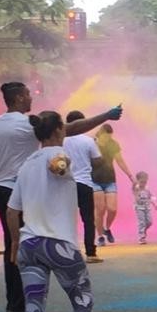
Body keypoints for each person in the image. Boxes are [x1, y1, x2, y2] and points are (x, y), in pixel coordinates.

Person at [0, 82, 121, 312]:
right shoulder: (30, 124)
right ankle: (39, 296)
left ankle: (16, 306)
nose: (31, 98)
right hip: (27, 188)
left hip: (2, 189)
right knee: (38, 238)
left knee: (13, 245)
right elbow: (69, 128)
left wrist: (1, 180)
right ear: (17, 98)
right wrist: (105, 116)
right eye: (27, 94)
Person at [7, 111, 96, 312]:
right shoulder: (59, 153)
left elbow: (12, 211)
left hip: (29, 245)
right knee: (82, 307)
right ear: (59, 130)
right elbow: (59, 163)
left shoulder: (25, 165)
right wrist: (59, 165)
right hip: (58, 245)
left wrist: (13, 244)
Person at [62, 111, 103, 263]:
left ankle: (67, 252)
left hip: (65, 184)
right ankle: (91, 253)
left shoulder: (60, 140)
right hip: (84, 183)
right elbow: (98, 160)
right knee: (88, 219)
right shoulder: (88, 141)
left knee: (66, 219)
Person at [92, 124, 134, 247]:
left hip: (110, 180)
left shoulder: (113, 144)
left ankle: (107, 228)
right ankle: (100, 236)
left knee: (112, 209)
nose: (108, 139)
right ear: (101, 134)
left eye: (110, 137)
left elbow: (120, 160)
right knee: (100, 209)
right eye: (106, 137)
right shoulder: (92, 143)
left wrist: (130, 176)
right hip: (94, 180)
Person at [132, 171, 154, 244]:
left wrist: (153, 201)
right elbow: (133, 190)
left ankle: (143, 231)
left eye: (145, 181)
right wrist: (135, 184)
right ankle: (141, 237)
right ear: (138, 181)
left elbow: (151, 196)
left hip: (147, 207)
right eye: (142, 181)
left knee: (149, 222)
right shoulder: (136, 188)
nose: (143, 183)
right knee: (142, 222)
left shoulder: (147, 189)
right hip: (139, 208)